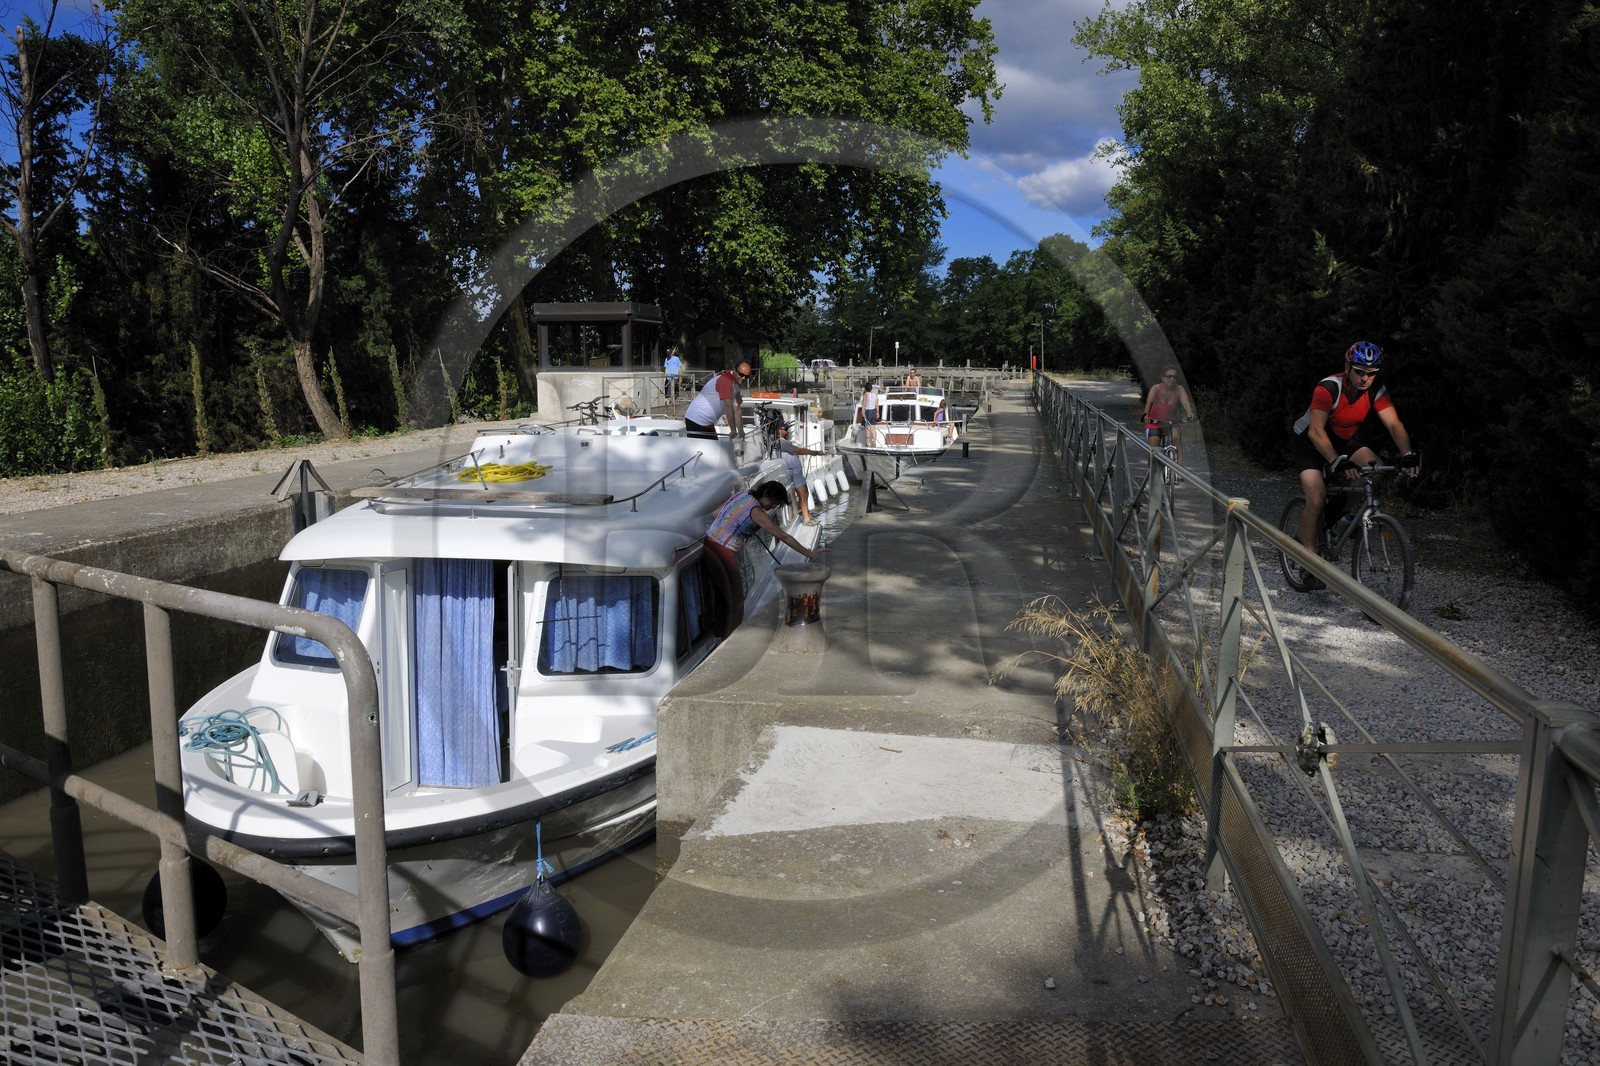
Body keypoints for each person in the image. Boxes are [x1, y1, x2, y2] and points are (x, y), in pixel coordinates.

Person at [1293, 341, 1420, 587]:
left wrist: (1408, 454)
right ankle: (1308, 560)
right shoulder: (1329, 387)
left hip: (1341, 441)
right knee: (1316, 497)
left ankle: (1338, 513)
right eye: (1360, 371)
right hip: (1310, 441)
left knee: (1374, 467)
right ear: (1347, 368)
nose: (1365, 378)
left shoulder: (1376, 390)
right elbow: (1316, 431)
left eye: (1371, 373)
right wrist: (1335, 460)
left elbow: (1394, 425)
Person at [702, 480, 827, 637]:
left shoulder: (742, 495)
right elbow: (784, 536)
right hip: (723, 550)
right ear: (765, 494)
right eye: (774, 502)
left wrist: (740, 527)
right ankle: (731, 638)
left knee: (722, 595)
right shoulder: (756, 511)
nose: (773, 507)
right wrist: (810, 553)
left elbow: (715, 514)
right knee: (736, 600)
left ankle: (721, 633)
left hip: (708, 544)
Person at [684, 360, 750, 440]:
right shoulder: (726, 380)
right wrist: (733, 430)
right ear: (734, 370)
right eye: (741, 374)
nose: (743, 378)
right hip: (696, 419)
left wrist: (740, 430)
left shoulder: (736, 385)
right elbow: (728, 405)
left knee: (715, 446)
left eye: (746, 377)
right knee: (705, 447)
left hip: (708, 422)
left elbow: (737, 409)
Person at [775, 422, 826, 524]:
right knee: (803, 495)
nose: (787, 431)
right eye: (785, 429)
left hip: (795, 472)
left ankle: (806, 515)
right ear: (779, 430)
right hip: (794, 473)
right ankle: (807, 519)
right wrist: (816, 453)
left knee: (804, 494)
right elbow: (799, 450)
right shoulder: (781, 442)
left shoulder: (782, 442)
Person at [1142, 365, 1197, 460]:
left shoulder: (1179, 389)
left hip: (1172, 422)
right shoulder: (1156, 388)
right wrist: (1146, 416)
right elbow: (1148, 403)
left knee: (1176, 438)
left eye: (1174, 377)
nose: (1172, 379)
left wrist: (1190, 413)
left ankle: (1179, 467)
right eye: (1169, 376)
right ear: (1163, 378)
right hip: (1155, 422)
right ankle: (1154, 468)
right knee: (1154, 446)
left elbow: (1186, 403)